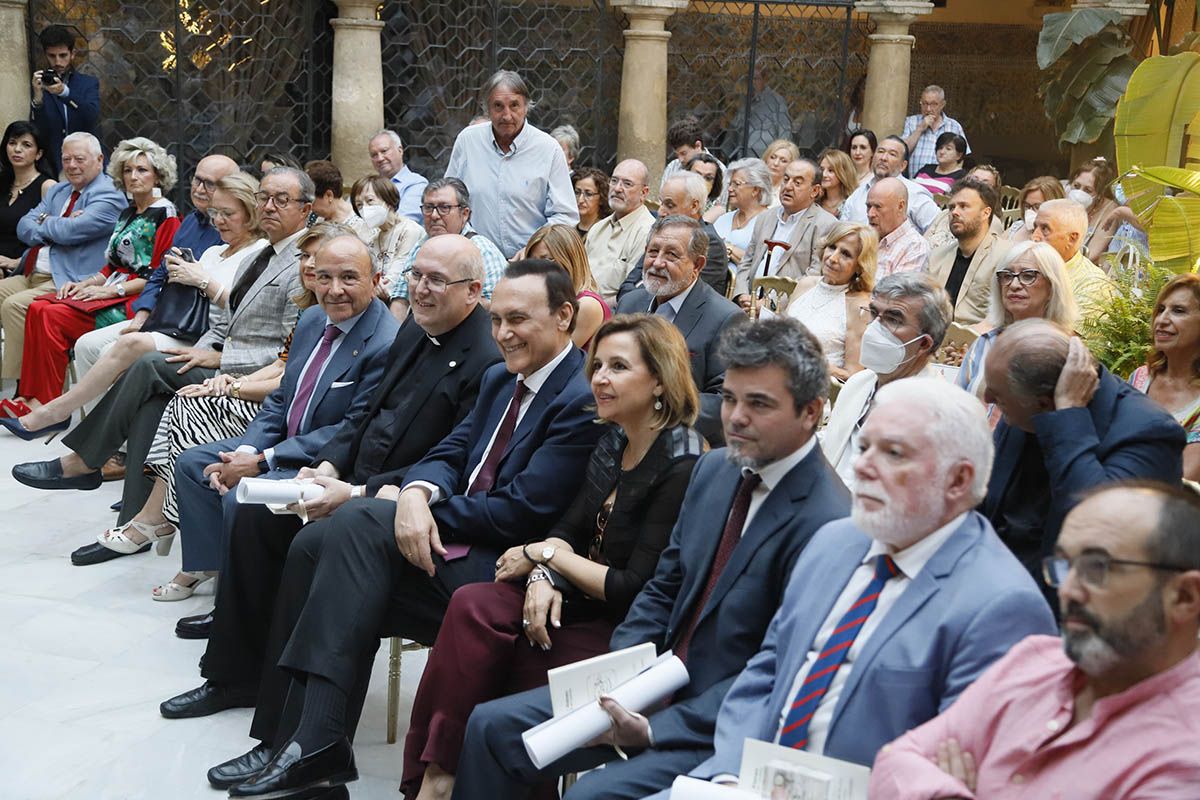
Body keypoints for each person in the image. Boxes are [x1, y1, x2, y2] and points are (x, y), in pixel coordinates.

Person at [201, 261, 605, 800]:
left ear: (563, 317)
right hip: (450, 548)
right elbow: (450, 452)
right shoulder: (500, 379)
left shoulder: (578, 398)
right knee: (317, 545)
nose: (504, 333)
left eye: (519, 320)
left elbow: (522, 509)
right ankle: (291, 738)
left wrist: (415, 510)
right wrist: (417, 492)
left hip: (504, 565)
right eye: (498, 319)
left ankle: (314, 744)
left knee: (360, 518)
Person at [453, 317, 851, 800]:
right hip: (649, 679)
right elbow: (664, 587)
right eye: (728, 399)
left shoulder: (829, 523)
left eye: (759, 404)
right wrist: (625, 674)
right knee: (491, 728)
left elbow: (775, 673)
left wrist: (655, 725)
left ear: (811, 412)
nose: (736, 418)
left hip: (716, 720)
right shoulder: (717, 470)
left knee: (588, 796)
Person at [661, 379, 1055, 795]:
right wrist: (728, 774)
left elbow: (953, 770)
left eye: (893, 453)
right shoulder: (836, 541)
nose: (863, 465)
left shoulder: (1002, 607)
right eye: (865, 447)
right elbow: (768, 670)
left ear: (957, 480)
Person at [160, 233, 496, 692]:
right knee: (252, 510)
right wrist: (330, 467)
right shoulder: (418, 326)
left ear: (473, 291)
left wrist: (356, 489)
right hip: (349, 472)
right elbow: (368, 413)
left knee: (305, 541)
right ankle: (232, 672)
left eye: (436, 280)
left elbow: (450, 456)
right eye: (416, 276)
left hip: (394, 494)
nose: (419, 289)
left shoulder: (487, 360)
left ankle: (282, 687)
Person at [401, 314, 704, 800]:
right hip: (580, 600)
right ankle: (434, 777)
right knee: (473, 604)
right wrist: (544, 574)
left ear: (660, 381)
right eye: (598, 365)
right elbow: (568, 528)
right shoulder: (615, 439)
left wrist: (543, 557)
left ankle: (450, 782)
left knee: (504, 662)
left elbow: (632, 587)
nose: (600, 378)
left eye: (619, 367)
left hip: (629, 630)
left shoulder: (682, 462)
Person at [11, 166, 311, 530]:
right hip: (214, 351)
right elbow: (222, 320)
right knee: (150, 397)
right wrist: (201, 345)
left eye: (281, 200)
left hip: (250, 376)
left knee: (149, 364)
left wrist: (217, 356)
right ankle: (132, 523)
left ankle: (86, 460)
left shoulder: (301, 261)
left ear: (306, 209)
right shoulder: (262, 256)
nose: (270, 207)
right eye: (265, 197)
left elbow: (290, 349)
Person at [871, 480, 1200, 798]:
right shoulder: (1032, 661)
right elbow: (896, 760)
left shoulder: (1187, 758)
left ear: (1184, 596)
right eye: (1065, 565)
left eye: (1096, 567)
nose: (1068, 589)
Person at [112, 226, 328, 594]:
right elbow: (281, 366)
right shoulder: (309, 309)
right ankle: (174, 536)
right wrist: (227, 383)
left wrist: (235, 384)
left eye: (316, 259)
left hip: (294, 422)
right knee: (181, 405)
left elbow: (287, 384)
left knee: (185, 409)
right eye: (303, 257)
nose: (306, 264)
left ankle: (162, 526)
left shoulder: (325, 309)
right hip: (264, 396)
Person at [3, 172, 269, 437]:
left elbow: (247, 310)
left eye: (227, 214)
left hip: (205, 336)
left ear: (250, 213)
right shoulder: (213, 249)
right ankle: (106, 442)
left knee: (124, 343)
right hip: (174, 323)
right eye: (215, 212)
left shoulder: (258, 251)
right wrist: (174, 281)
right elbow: (152, 276)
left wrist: (201, 281)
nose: (218, 221)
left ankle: (57, 413)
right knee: (87, 343)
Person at [980, 319, 1185, 584]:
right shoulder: (1022, 408)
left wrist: (1069, 419)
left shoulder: (1150, 432)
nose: (987, 399)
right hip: (991, 580)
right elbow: (985, 506)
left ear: (1044, 404)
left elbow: (1097, 531)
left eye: (998, 396)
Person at [12, 137, 180, 411]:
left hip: (136, 301)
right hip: (112, 290)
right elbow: (112, 265)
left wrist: (110, 291)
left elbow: (158, 276)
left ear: (158, 175)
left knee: (51, 315)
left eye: (142, 170)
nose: (133, 176)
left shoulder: (166, 215)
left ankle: (47, 405)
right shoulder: (128, 211)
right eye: (127, 170)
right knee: (38, 307)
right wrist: (84, 284)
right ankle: (35, 397)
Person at [1, 132, 124, 399]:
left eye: (79, 159)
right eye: (66, 159)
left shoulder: (109, 194)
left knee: (16, 306)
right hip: (33, 270)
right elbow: (24, 225)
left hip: (68, 278)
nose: (71, 165)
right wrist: (56, 224)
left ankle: (25, 388)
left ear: (100, 159)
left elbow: (72, 232)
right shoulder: (58, 189)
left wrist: (46, 221)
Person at [616, 215, 742, 446]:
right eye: (653, 252)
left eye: (672, 255)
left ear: (697, 265)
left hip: (681, 443)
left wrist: (656, 413)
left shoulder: (726, 319)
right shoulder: (630, 303)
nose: (657, 263)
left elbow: (725, 399)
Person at [821, 273, 952, 489]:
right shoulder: (859, 383)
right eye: (874, 314)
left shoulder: (936, 414)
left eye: (893, 319)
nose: (874, 329)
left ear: (924, 344)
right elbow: (833, 446)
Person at [446, 70, 578, 257]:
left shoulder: (548, 149)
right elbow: (449, 201)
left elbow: (565, 216)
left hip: (531, 264)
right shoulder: (468, 141)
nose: (506, 115)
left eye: (514, 105)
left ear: (526, 107)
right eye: (498, 106)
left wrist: (532, 249)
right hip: (474, 259)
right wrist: (470, 240)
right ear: (487, 109)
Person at [955, 241, 1079, 398]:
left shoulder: (1068, 351)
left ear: (1052, 286)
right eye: (1006, 276)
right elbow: (957, 407)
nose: (1013, 285)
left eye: (1028, 276)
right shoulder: (985, 343)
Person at [387, 178, 507, 321]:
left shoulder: (482, 251)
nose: (434, 215)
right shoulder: (421, 246)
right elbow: (401, 298)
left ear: (464, 213)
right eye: (428, 207)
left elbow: (497, 305)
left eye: (444, 208)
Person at [732, 158, 838, 308]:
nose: (788, 187)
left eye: (798, 182)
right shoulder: (765, 217)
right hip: (747, 303)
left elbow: (814, 276)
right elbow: (747, 261)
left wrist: (769, 304)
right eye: (786, 179)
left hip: (786, 311)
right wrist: (742, 295)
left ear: (815, 191)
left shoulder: (825, 224)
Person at [1130, 273, 1200, 482]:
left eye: (1178, 311)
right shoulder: (1141, 377)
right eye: (1160, 310)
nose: (1162, 320)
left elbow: (1183, 479)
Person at [784, 222, 875, 380]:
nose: (833, 258)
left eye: (845, 254)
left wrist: (814, 363)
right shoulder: (806, 284)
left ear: (860, 266)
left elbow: (854, 376)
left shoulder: (860, 306)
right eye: (832, 247)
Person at [616, 173, 730, 299]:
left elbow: (675, 294)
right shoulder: (661, 234)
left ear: (694, 206)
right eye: (661, 203)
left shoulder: (710, 242)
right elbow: (627, 286)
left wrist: (634, 296)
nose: (660, 212)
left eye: (670, 205)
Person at [927, 177, 1009, 325]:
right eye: (951, 207)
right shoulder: (936, 256)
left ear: (986, 213)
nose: (954, 213)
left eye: (963, 206)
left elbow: (1007, 316)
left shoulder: (1006, 256)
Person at [525, 224, 611, 349]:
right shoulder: (545, 300)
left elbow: (551, 357)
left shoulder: (587, 305)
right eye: (532, 262)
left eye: (548, 260)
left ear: (570, 260)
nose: (538, 269)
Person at [29, 25, 100, 175]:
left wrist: (65, 93)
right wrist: (38, 99)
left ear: (72, 54)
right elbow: (37, 131)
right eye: (52, 56)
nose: (57, 62)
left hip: (86, 164)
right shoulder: (39, 85)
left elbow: (92, 116)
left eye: (63, 55)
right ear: (45, 55)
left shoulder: (88, 83)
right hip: (52, 165)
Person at [1029, 197, 1114, 317]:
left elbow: (1066, 335)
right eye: (1035, 227)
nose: (1034, 237)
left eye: (1045, 229)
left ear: (1072, 238)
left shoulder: (1093, 285)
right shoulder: (1022, 267)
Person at [584, 159, 652, 305]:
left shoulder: (647, 233)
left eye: (627, 184)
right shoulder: (598, 228)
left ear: (644, 193)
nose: (617, 188)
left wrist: (593, 306)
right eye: (614, 181)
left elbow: (633, 295)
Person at [841, 135, 939, 233]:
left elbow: (939, 229)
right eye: (880, 151)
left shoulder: (915, 194)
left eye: (892, 154)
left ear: (903, 165)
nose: (883, 158)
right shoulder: (859, 193)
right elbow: (842, 229)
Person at [349, 174, 423, 295]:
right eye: (359, 205)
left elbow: (397, 275)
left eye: (370, 201)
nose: (365, 209)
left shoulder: (409, 230)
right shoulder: (370, 235)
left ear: (388, 201)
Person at [0, 121, 55, 274]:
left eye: (26, 145)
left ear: (39, 153)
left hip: (22, 268)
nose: (17, 149)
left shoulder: (48, 186)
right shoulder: (3, 182)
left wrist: (16, 262)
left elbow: (52, 239)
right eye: (12, 143)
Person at [922, 163, 1007, 251]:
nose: (977, 186)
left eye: (985, 184)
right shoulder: (945, 214)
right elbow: (923, 243)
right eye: (973, 180)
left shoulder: (992, 222)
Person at [712, 158, 771, 266]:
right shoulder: (723, 219)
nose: (730, 189)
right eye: (730, 184)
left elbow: (762, 264)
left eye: (736, 184)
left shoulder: (769, 222)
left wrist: (729, 248)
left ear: (755, 190)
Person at [902, 85, 969, 180]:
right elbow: (903, 152)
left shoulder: (954, 126)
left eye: (934, 104)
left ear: (942, 104)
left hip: (945, 184)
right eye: (924, 104)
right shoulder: (911, 122)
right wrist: (920, 129)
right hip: (916, 182)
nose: (928, 109)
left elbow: (961, 157)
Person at [868, 176, 930, 280]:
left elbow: (895, 295)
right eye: (868, 206)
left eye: (878, 207)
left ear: (900, 206)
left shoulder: (916, 247)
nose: (870, 214)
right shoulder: (864, 237)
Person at [731, 65, 793, 160]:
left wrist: (782, 155)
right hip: (744, 154)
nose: (752, 82)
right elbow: (735, 127)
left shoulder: (776, 101)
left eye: (756, 79)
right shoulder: (745, 101)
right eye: (749, 79)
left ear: (764, 80)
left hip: (764, 155)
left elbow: (784, 130)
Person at [368, 129, 428, 223]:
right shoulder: (367, 186)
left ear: (400, 150)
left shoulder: (416, 184)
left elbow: (402, 223)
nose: (380, 158)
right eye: (374, 155)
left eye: (384, 151)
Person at [1067, 157, 1121, 262]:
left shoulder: (1109, 209)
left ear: (1100, 194)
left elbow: (1092, 254)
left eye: (1088, 190)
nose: (1079, 192)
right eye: (1076, 186)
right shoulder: (1065, 197)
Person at [661, 115, 727, 189]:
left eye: (684, 153)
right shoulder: (672, 167)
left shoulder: (720, 170)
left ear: (698, 145)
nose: (680, 159)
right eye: (677, 154)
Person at [305, 159, 366, 236]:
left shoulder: (360, 224)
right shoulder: (315, 219)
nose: (310, 207)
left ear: (329, 195)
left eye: (312, 201)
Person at [1006, 175, 1065, 244]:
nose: (1030, 211)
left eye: (1037, 207)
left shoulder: (1061, 238)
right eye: (1027, 206)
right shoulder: (1017, 227)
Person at [912, 131, 967, 195]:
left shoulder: (962, 177)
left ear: (959, 155)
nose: (942, 152)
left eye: (948, 149)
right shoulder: (926, 169)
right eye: (940, 148)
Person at [817, 147, 857, 218]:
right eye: (822, 169)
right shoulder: (815, 201)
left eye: (830, 170)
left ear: (843, 173)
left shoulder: (852, 203)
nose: (824, 174)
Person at [571, 166, 610, 238]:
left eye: (588, 194)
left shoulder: (607, 231)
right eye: (577, 192)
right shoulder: (567, 229)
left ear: (601, 198)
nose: (580, 200)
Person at [688, 152, 725, 222]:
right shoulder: (673, 204)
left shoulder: (719, 214)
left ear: (714, 184)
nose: (701, 181)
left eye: (708, 178)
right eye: (696, 176)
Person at [761, 138, 800, 205]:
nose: (776, 163)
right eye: (772, 157)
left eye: (783, 161)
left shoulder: (790, 191)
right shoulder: (754, 183)